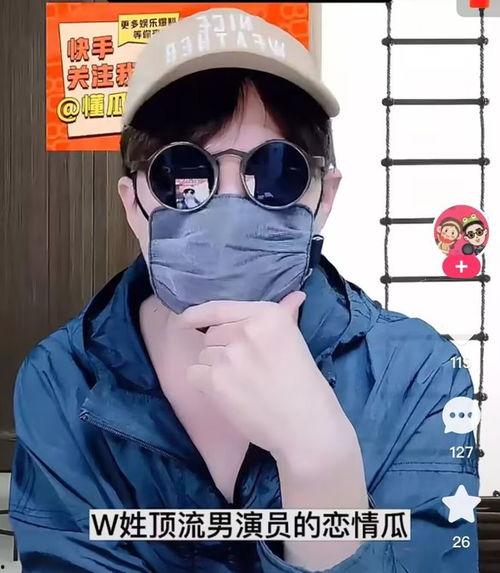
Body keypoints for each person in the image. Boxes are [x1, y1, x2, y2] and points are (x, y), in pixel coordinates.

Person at [9, 8, 479, 573]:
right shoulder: (61, 380)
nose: (229, 207)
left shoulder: (419, 373)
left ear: (323, 199)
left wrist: (320, 463)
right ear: (133, 205)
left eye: (276, 172)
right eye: (183, 176)